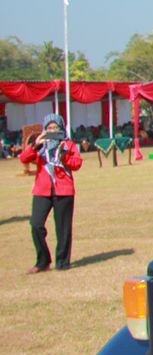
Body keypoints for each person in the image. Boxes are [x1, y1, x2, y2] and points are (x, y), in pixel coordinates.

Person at [19, 113, 82, 272]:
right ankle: (43, 260)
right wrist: (35, 145)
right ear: (45, 130)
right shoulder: (39, 144)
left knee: (63, 229)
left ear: (61, 128)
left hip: (64, 190)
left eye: (56, 128)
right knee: (36, 224)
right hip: (43, 190)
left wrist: (64, 156)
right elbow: (24, 158)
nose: (53, 131)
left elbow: (77, 164)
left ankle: (62, 263)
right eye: (49, 128)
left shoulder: (68, 144)